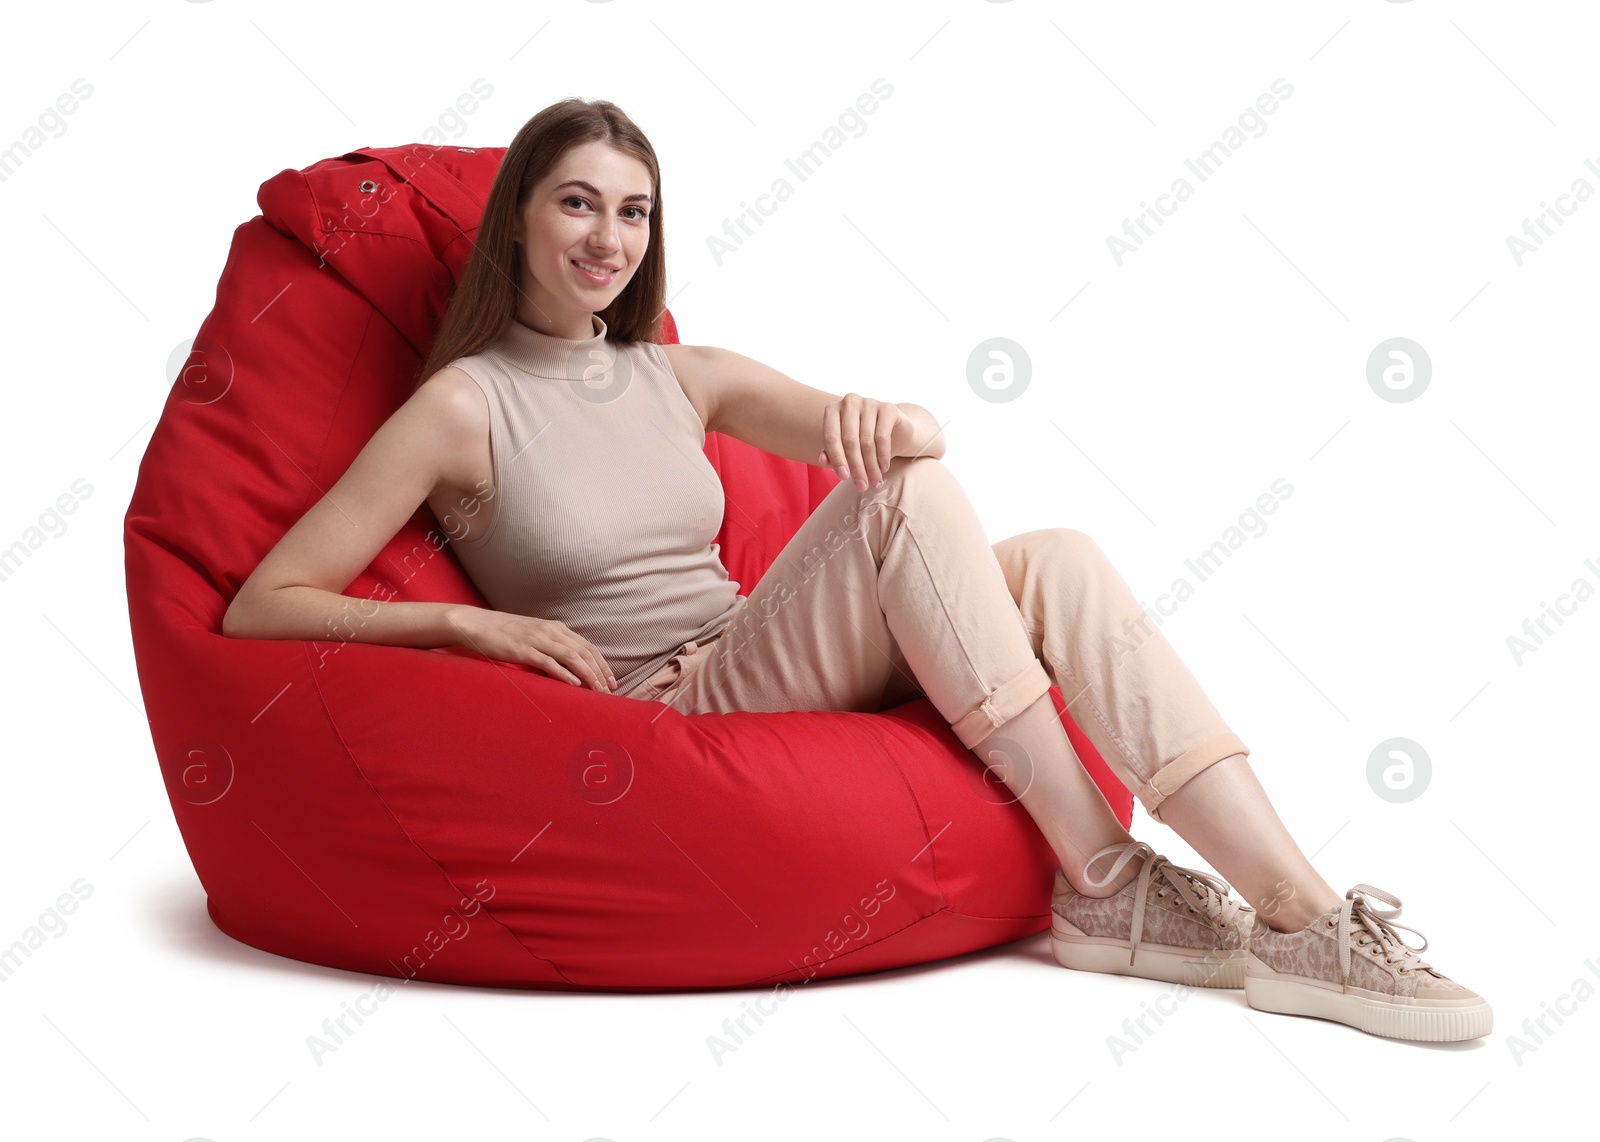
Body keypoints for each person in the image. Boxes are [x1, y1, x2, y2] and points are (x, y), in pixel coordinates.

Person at [222, 97, 1489, 1043]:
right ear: (520, 218)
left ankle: (1301, 911)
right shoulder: (462, 405)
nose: (606, 236)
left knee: (1057, 557)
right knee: (904, 507)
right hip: (668, 701)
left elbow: (908, 438)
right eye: (575, 201)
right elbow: (263, 600)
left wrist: (895, 416)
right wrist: (467, 631)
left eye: (632, 209)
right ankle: (1104, 874)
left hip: (756, 649)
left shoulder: (682, 372)